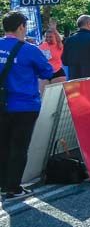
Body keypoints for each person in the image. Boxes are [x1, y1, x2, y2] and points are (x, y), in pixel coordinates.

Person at [0, 12, 60, 201]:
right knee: (19, 147)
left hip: (2, 104)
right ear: (21, 27)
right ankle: (13, 187)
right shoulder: (29, 49)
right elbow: (47, 71)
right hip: (24, 105)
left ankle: (3, 184)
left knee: (2, 145)